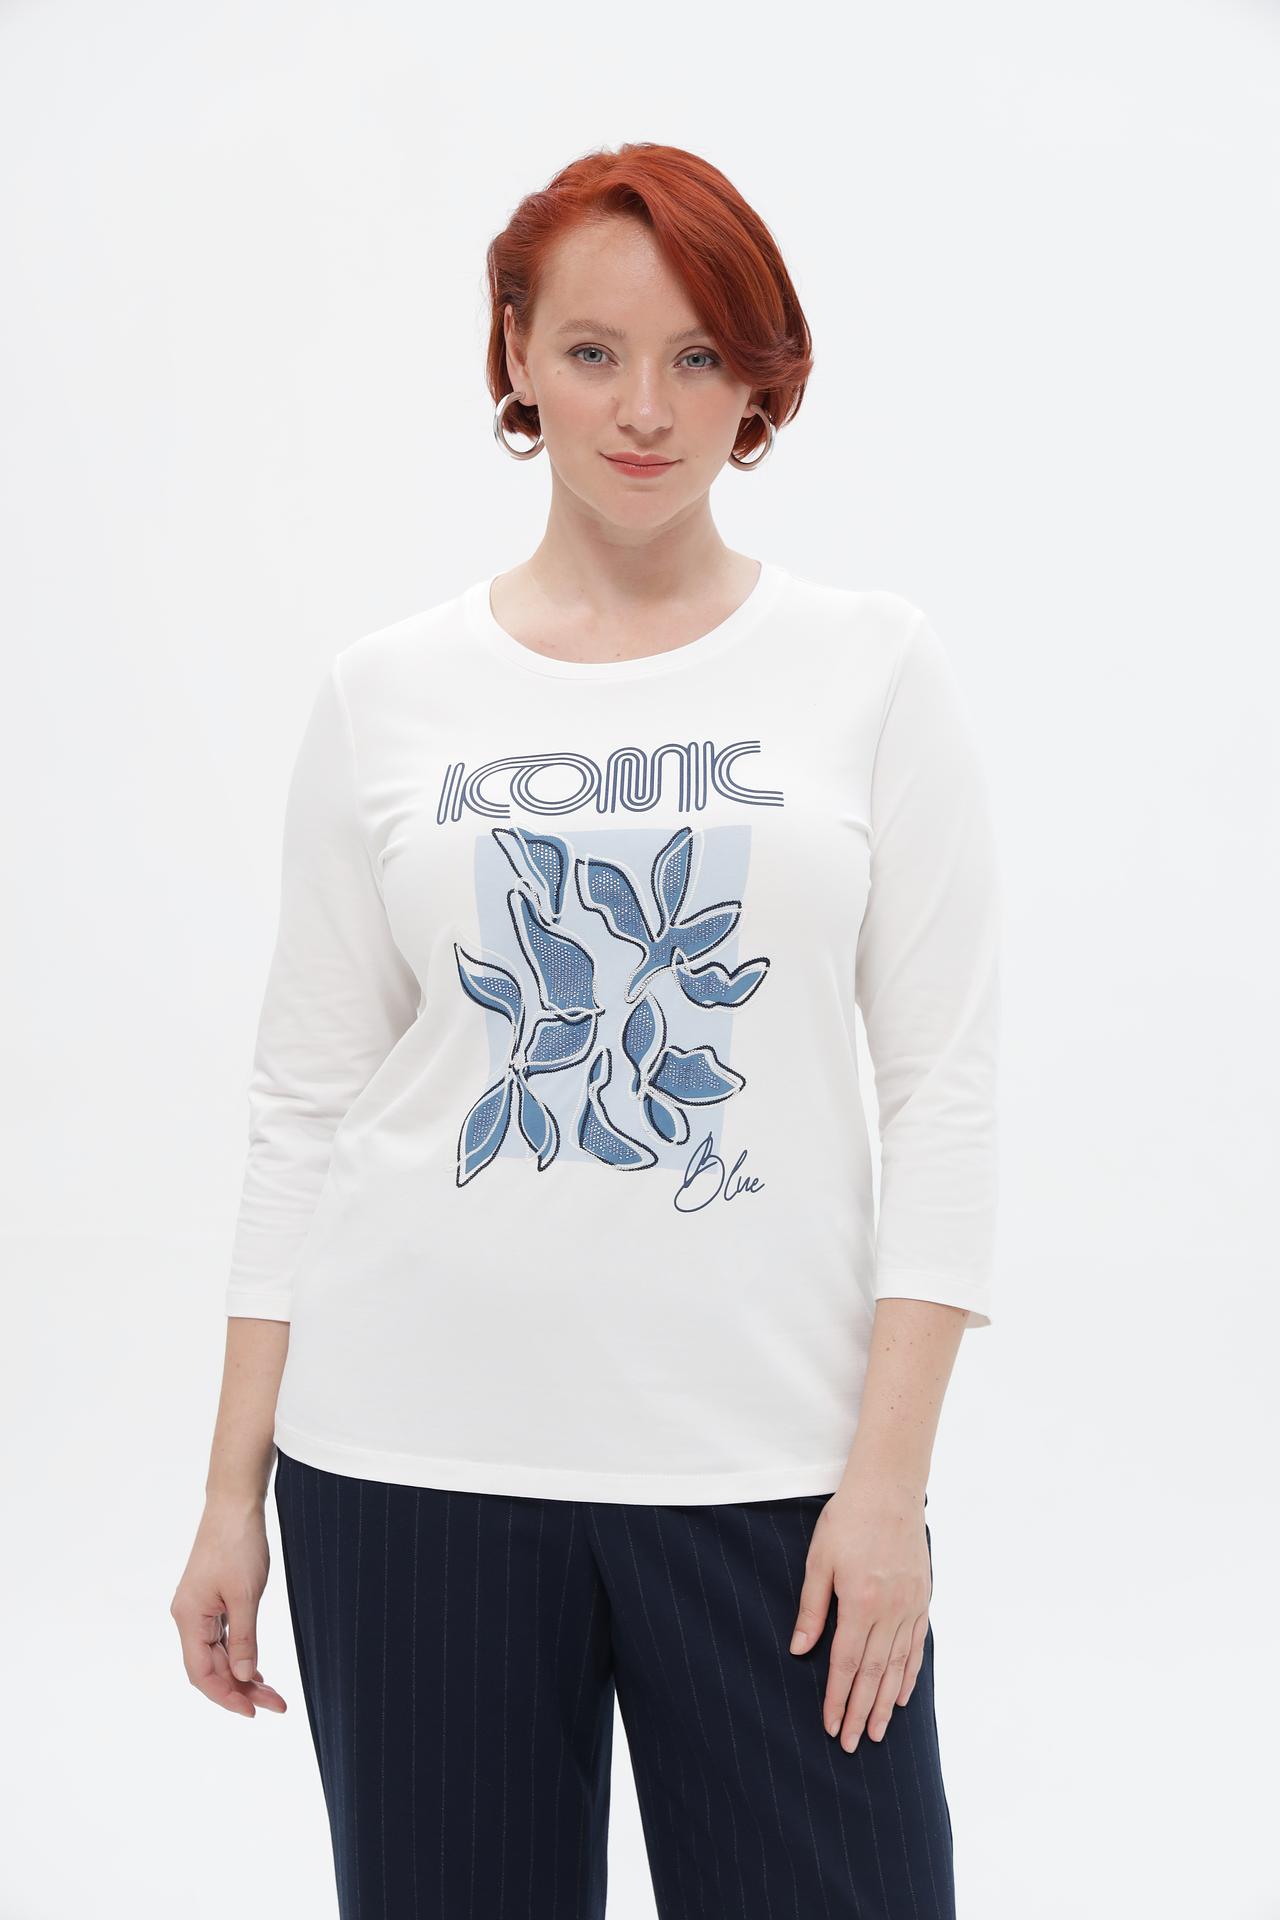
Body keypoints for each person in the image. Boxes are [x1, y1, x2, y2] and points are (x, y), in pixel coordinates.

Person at [171, 140, 1001, 1920]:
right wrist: (232, 1493)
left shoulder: (870, 667)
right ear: (517, 356)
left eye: (699, 356)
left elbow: (944, 1093)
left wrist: (889, 1491)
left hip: (775, 1481)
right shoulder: (388, 694)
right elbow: (304, 1102)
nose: (645, 410)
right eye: (595, 351)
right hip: (410, 1472)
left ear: (759, 378)